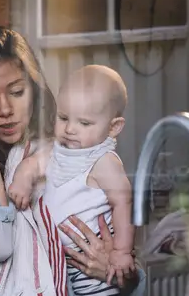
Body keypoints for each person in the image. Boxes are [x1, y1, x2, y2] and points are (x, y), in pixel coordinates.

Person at [0, 25, 145, 296]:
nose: (5, 110)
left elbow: (131, 274)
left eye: (17, 92)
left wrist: (116, 273)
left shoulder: (59, 155)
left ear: (34, 91)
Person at [9, 65, 134, 295]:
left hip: (94, 265)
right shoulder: (58, 150)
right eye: (63, 118)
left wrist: (122, 252)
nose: (69, 129)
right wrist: (22, 179)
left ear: (113, 127)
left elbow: (123, 202)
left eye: (84, 123)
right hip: (60, 260)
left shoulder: (103, 160)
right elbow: (33, 163)